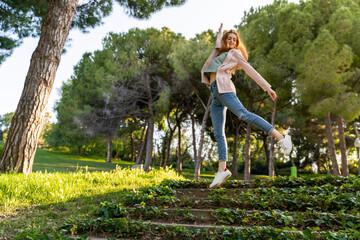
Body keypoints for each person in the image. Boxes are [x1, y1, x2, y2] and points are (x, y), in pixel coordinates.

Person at [201, 24, 292, 189]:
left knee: (243, 114)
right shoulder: (219, 53)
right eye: (228, 39)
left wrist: (267, 87)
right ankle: (222, 170)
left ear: (236, 44)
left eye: (234, 40)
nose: (231, 41)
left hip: (226, 91)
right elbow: (217, 43)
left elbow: (250, 70)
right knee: (218, 133)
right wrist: (220, 32)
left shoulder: (235, 53)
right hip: (215, 95)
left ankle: (281, 137)